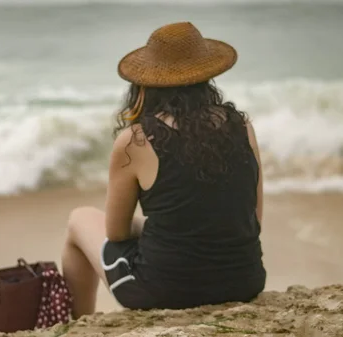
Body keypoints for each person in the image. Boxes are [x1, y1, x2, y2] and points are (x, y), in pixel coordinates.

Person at [61, 21, 266, 318]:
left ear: (145, 83)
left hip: (164, 289)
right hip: (244, 281)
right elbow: (253, 219)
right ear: (207, 76)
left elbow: (116, 233)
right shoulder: (241, 126)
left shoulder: (136, 140)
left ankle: (82, 323)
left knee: (78, 220)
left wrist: (156, 228)